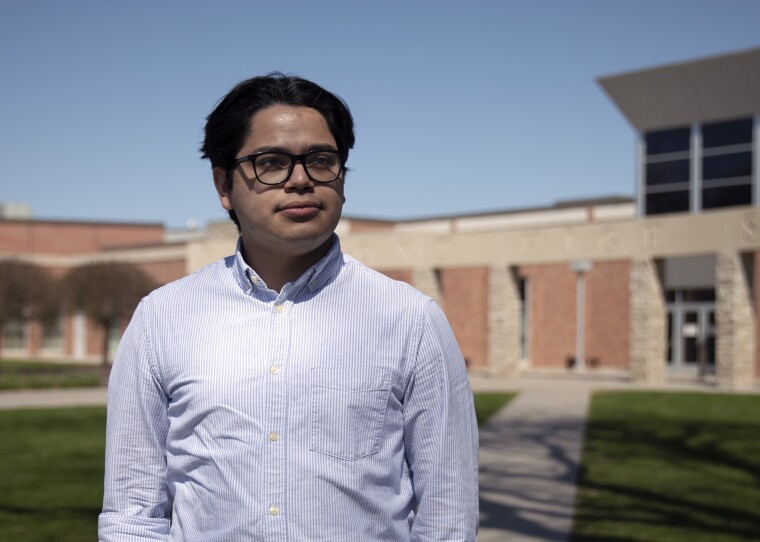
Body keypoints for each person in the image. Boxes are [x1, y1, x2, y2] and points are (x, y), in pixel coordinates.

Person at [98, 74, 479, 541]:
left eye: (322, 160)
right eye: (271, 163)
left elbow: (449, 518)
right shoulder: (162, 319)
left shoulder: (410, 320)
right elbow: (131, 514)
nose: (301, 180)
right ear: (223, 185)